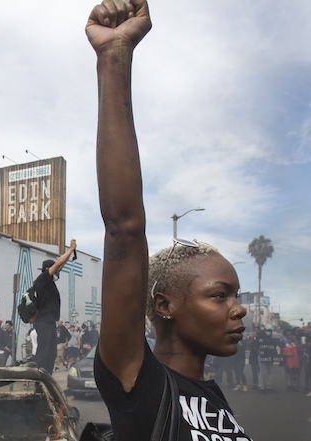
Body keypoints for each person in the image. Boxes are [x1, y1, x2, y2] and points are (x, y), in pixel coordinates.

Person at [88, 1, 252, 439]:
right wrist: (114, 58)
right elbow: (124, 226)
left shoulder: (212, 396)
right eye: (220, 296)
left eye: (235, 295)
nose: (239, 310)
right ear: (164, 306)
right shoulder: (142, 387)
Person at [29, 240, 78, 372]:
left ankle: (47, 377)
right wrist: (70, 249)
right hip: (43, 322)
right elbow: (57, 264)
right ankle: (38, 380)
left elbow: (59, 266)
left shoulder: (49, 282)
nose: (58, 272)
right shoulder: (42, 279)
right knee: (43, 353)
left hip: (50, 323)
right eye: (55, 270)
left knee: (51, 354)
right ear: (47, 270)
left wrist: (71, 252)